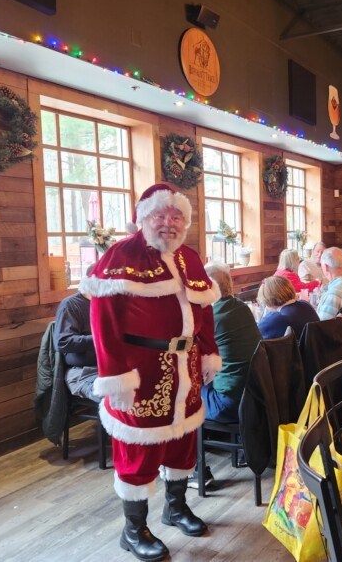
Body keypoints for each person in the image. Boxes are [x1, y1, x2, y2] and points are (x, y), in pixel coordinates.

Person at [80, 184, 222, 562]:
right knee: (138, 448)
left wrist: (209, 352)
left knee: (181, 441)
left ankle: (175, 508)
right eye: (160, 215)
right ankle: (133, 529)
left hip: (186, 369)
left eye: (176, 216)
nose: (168, 223)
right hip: (141, 372)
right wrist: (115, 376)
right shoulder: (120, 256)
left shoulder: (189, 257)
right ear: (143, 218)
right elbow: (103, 323)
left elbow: (203, 312)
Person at [186, 261, 261, 488]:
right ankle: (244, 446)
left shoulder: (213, 317)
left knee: (183, 401)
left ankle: (195, 470)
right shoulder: (241, 308)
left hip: (228, 403)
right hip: (253, 397)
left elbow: (194, 360)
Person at [54, 284, 100, 402]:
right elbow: (63, 342)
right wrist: (101, 338)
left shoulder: (110, 304)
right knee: (115, 397)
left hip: (112, 368)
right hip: (83, 372)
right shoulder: (71, 305)